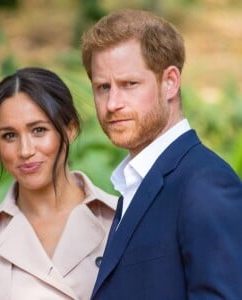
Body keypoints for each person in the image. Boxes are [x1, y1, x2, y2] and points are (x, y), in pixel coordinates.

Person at [81, 9, 242, 299]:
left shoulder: (205, 184)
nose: (112, 103)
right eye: (102, 87)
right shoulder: (136, 183)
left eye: (129, 84)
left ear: (170, 81)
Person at [0, 67, 117, 300]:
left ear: (71, 128)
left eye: (38, 130)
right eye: (9, 136)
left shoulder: (122, 220)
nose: (25, 151)